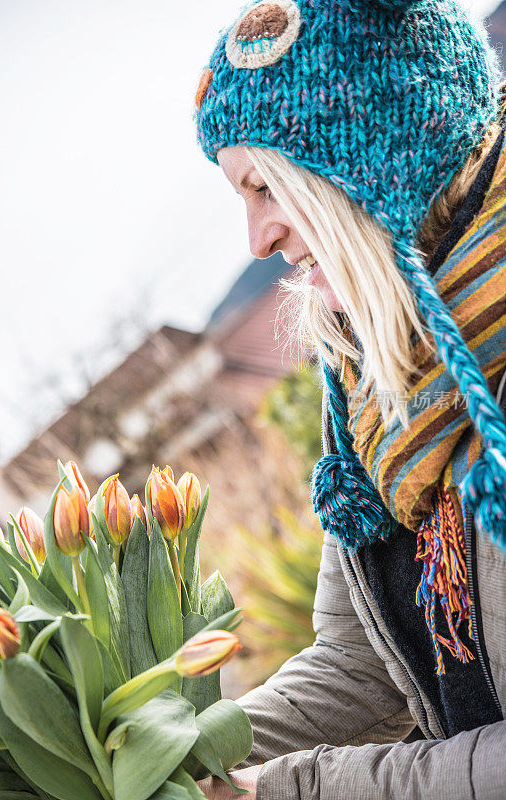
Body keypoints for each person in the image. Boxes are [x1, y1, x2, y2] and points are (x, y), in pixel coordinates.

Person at [193, 1, 506, 798]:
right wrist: (158, 754)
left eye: (267, 185)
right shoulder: (371, 387)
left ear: (376, 152)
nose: (257, 240)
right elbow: (358, 669)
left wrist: (285, 790)